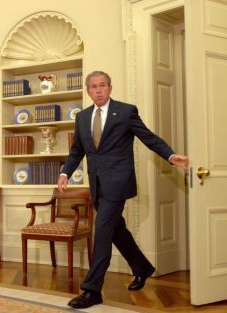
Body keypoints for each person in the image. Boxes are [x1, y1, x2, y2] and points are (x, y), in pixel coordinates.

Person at [58, 71, 188, 309]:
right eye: (93, 87)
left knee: (103, 232)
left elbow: (148, 137)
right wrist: (65, 173)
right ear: (88, 91)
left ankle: (91, 290)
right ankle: (142, 267)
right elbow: (77, 150)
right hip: (97, 184)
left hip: (118, 183)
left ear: (110, 88)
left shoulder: (126, 112)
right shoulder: (83, 117)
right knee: (117, 230)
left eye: (102, 86)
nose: (98, 90)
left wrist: (170, 155)